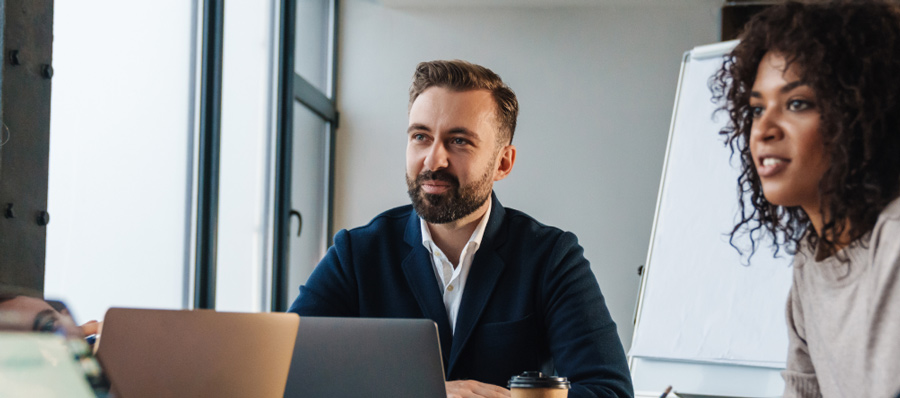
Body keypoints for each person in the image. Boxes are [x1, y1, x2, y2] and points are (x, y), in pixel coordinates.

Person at [289, 60, 633, 398]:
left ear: (503, 162)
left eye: (459, 141)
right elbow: (287, 373)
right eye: (421, 136)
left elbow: (610, 391)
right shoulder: (357, 253)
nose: (433, 160)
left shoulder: (551, 258)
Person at [713, 1, 900, 397]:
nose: (763, 129)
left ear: (858, 115)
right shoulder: (811, 260)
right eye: (758, 108)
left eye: (797, 104)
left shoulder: (894, 239)